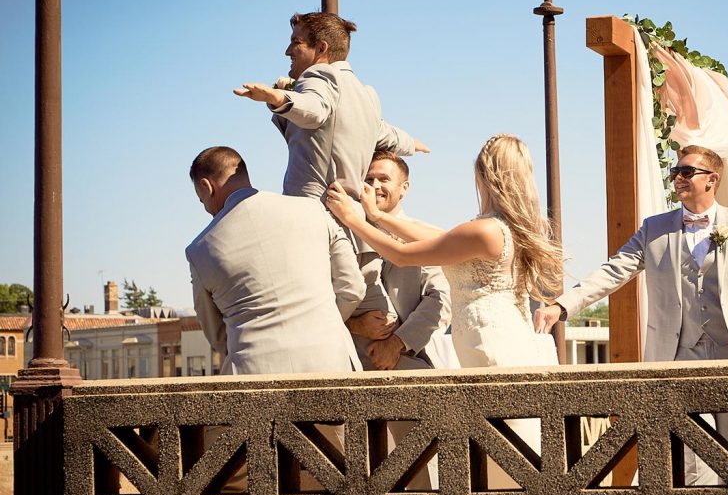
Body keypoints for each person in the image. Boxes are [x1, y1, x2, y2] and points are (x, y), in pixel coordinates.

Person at [534, 144, 728, 495]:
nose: (679, 178)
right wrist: (564, 304)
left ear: (712, 179)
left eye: (688, 171)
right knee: (691, 464)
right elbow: (613, 271)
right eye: (675, 171)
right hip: (675, 360)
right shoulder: (655, 229)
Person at [326, 134, 562, 373]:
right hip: (495, 336)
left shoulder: (485, 230)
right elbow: (438, 237)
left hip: (490, 341)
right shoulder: (497, 228)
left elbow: (401, 254)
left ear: (485, 175)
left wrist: (351, 219)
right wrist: (377, 218)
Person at [185, 146, 362, 374]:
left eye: (202, 201)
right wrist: (322, 324)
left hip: (253, 374)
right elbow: (353, 287)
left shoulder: (199, 250)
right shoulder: (312, 209)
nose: (207, 210)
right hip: (331, 360)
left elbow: (216, 334)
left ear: (206, 186)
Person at [233, 11, 428, 200]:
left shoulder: (319, 74)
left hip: (311, 212)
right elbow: (383, 132)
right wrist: (412, 143)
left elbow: (315, 109)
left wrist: (278, 97)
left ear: (321, 49)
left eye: (296, 42)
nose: (288, 51)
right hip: (347, 217)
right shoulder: (367, 94)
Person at [346, 151, 455, 372]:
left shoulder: (422, 235)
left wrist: (396, 344)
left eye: (384, 179)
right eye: (369, 179)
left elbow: (440, 300)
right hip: (350, 363)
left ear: (404, 188)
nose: (375, 185)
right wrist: (355, 326)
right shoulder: (346, 234)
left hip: (410, 361)